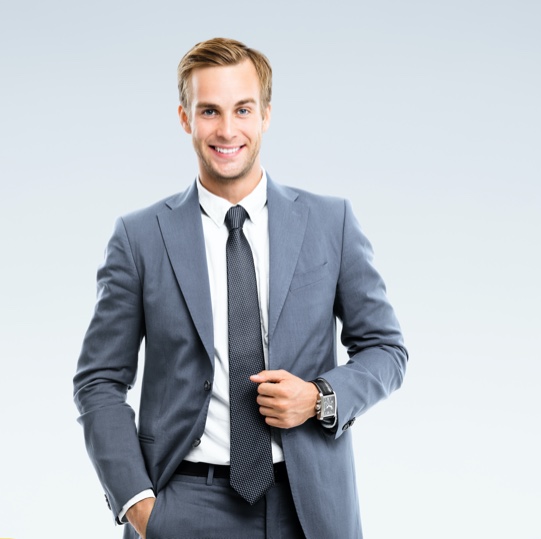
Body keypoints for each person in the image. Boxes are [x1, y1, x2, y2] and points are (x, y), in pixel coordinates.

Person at [73, 37, 407, 539]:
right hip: (186, 501)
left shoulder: (329, 222)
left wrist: (320, 398)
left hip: (309, 503)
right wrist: (140, 506)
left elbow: (386, 349)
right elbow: (98, 380)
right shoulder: (139, 237)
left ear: (266, 115)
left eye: (242, 109)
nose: (227, 130)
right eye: (209, 111)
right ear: (185, 118)